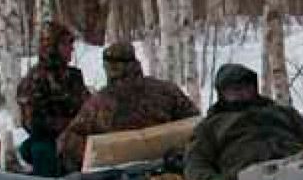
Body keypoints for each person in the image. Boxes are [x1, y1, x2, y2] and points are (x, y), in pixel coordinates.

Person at [56, 42, 200, 173]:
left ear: (109, 68)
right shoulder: (167, 90)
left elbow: (66, 143)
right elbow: (195, 124)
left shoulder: (99, 103)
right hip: (167, 170)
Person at [183, 63, 303, 180]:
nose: (242, 93)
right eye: (235, 89)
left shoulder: (281, 111)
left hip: (297, 161)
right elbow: (196, 163)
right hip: (251, 175)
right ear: (222, 93)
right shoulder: (211, 125)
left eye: (247, 87)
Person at [16, 20, 89, 176]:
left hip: (78, 136)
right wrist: (70, 126)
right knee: (42, 150)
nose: (72, 48)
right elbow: (33, 123)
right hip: (50, 141)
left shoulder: (74, 76)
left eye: (71, 43)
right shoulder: (33, 81)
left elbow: (87, 106)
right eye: (66, 43)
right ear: (52, 48)